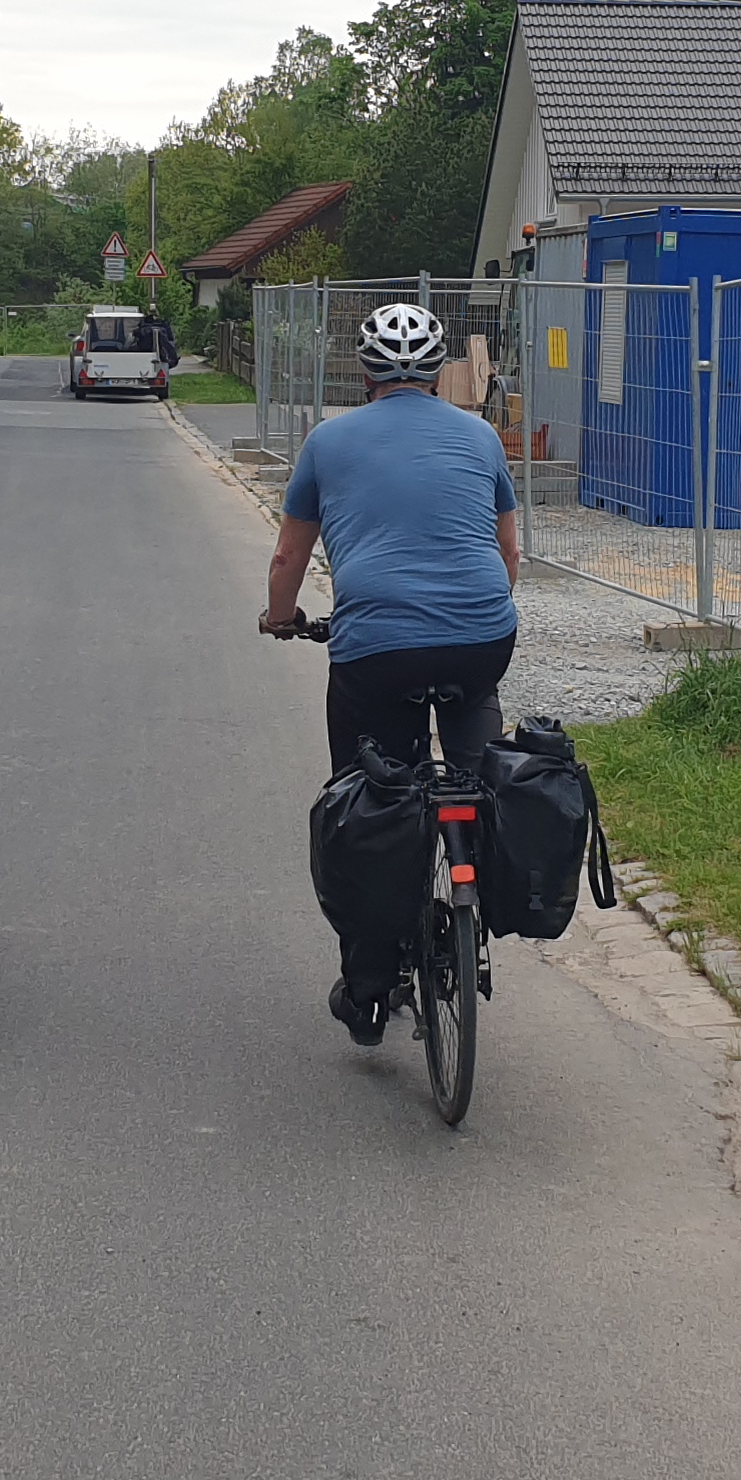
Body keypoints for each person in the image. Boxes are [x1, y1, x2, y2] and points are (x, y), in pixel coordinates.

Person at [256, 300, 521, 1043]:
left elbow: (288, 556)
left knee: (369, 798)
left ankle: (369, 990)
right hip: (481, 641)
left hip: (377, 651)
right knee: (477, 767)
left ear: (363, 370)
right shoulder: (481, 436)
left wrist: (281, 618)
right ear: (439, 372)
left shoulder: (328, 441)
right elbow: (508, 557)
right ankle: (482, 866)